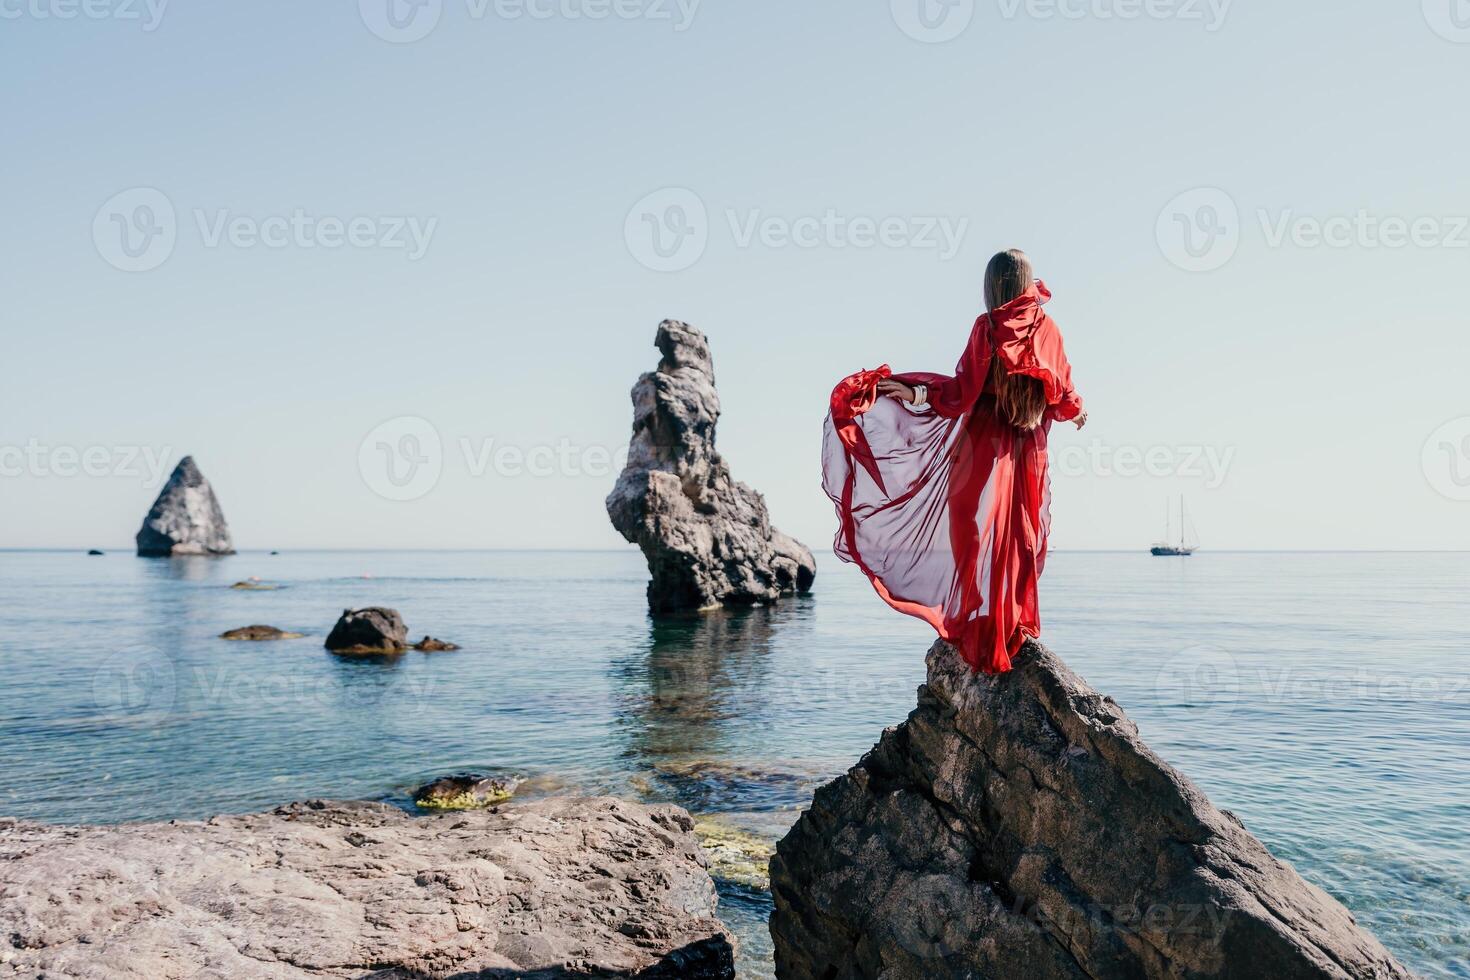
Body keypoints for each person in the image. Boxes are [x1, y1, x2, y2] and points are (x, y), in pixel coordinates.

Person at [822, 249, 1086, 673]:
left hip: (982, 433)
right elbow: (1063, 387)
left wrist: (915, 394)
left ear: (991, 286)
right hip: (1025, 439)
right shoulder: (1046, 328)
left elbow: (962, 392)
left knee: (963, 517)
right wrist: (1077, 411)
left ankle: (971, 606)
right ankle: (1011, 616)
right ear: (1027, 281)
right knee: (1022, 527)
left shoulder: (987, 327)